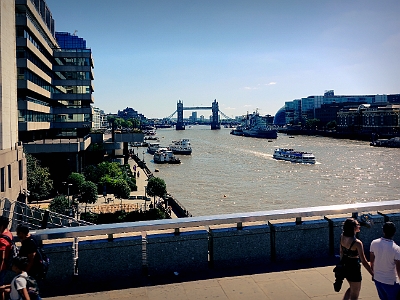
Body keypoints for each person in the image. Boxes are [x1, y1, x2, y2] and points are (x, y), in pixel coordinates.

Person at [339, 218, 374, 300]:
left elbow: (341, 252)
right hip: (354, 268)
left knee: (351, 288)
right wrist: (372, 273)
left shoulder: (342, 237)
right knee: (355, 294)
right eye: (358, 225)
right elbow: (364, 261)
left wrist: (342, 265)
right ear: (353, 228)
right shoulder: (357, 243)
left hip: (346, 265)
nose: (359, 226)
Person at [370, 222, 400, 299]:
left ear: (383, 231)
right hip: (391, 281)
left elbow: (372, 261)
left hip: (378, 279)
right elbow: (398, 269)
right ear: (394, 232)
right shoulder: (396, 249)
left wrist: (373, 273)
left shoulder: (374, 243)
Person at [0, 217, 12, 286]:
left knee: (1, 287)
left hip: (2, 266)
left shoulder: (2, 240)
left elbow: (2, 258)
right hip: (6, 265)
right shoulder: (8, 233)